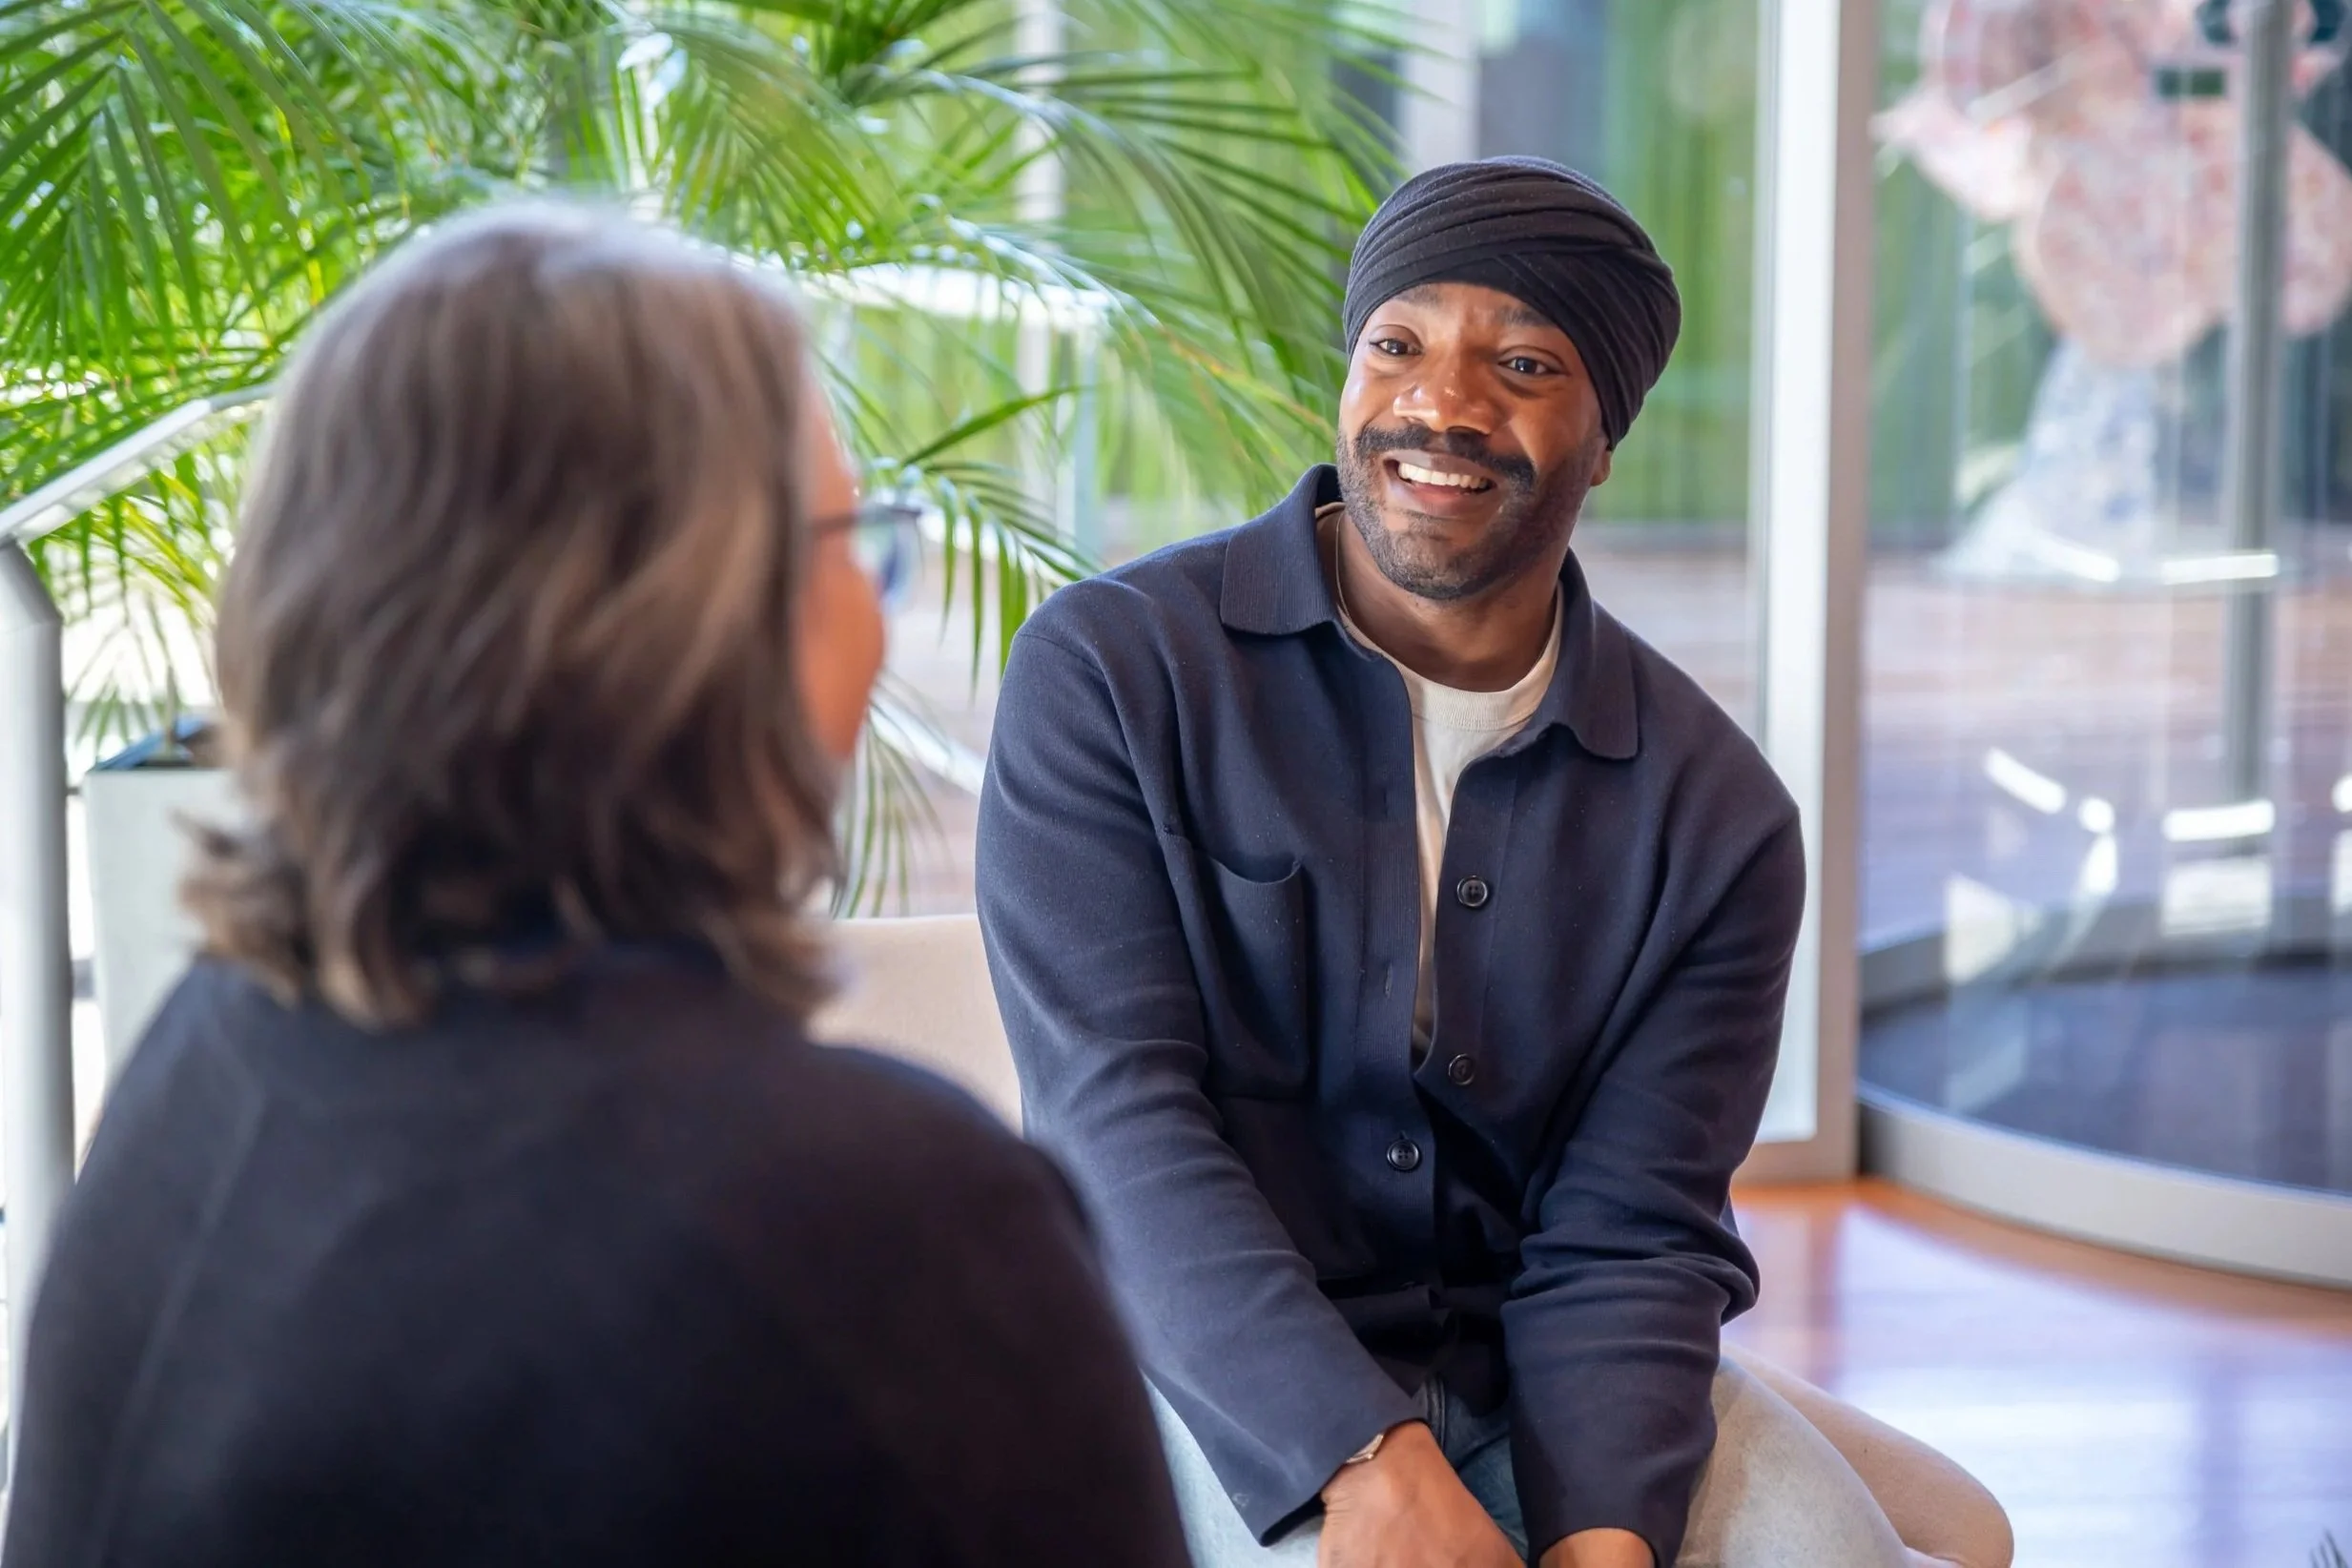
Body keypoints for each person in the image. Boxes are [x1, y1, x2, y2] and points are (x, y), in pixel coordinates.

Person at [4, 205, 1188, 1568]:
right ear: (689, 634)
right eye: (859, 539)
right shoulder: (882, 1225)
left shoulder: (206, 1060)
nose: (879, 606)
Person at [977, 159, 2014, 1568]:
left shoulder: (1715, 819)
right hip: (1202, 1364)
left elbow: (1632, 1229)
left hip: (1526, 1373)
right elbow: (1117, 1125)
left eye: (1521, 363)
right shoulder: (1111, 675)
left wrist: (1607, 1539)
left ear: (1603, 438)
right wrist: (1363, 1461)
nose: (1441, 406)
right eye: (1395, 346)